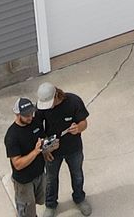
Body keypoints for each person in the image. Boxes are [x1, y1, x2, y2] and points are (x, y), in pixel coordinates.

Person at [35, 81, 92, 216]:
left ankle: (79, 198)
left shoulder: (74, 101)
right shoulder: (41, 107)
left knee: (77, 175)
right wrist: (45, 148)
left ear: (56, 96)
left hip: (74, 148)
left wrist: (78, 128)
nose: (47, 108)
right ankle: (50, 205)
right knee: (50, 178)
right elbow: (38, 129)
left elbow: (84, 122)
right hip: (53, 151)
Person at [5, 96, 52, 217]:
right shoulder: (12, 136)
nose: (30, 117)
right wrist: (36, 152)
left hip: (39, 173)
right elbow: (17, 164)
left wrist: (46, 150)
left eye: (31, 113)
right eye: (26, 115)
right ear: (17, 114)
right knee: (26, 212)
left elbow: (42, 139)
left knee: (38, 201)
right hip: (24, 181)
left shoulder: (35, 121)